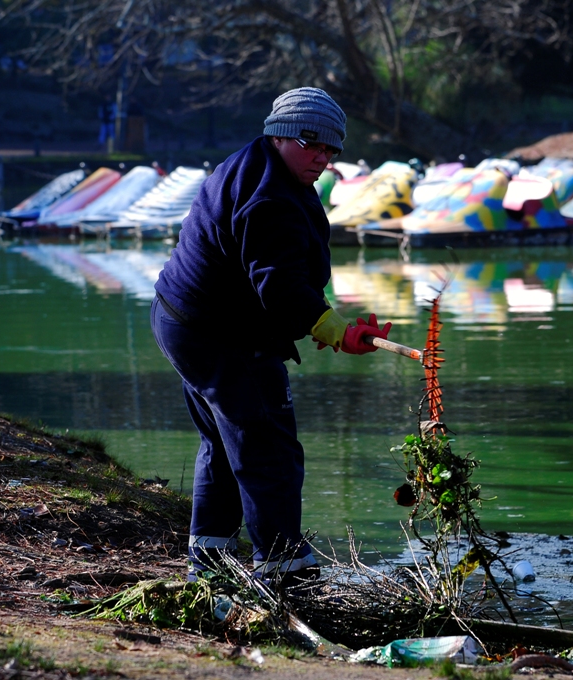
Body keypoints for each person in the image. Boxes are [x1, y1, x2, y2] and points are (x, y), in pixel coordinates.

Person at [151, 87, 391, 586]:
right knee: (267, 445)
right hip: (219, 334)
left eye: (331, 149)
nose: (321, 157)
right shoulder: (270, 197)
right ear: (279, 133)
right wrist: (336, 332)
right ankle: (284, 567)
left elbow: (276, 280)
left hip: (183, 321)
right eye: (311, 143)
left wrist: (325, 322)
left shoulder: (257, 165)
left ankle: (210, 561)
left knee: (224, 439)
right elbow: (279, 286)